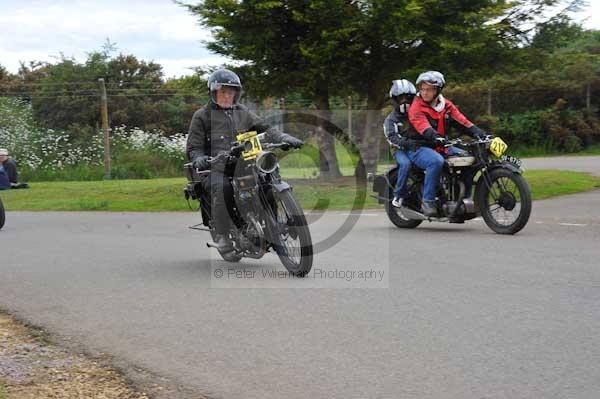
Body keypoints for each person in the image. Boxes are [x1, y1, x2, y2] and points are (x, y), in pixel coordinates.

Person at [186, 69, 303, 252]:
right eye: (223, 92)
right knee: (223, 187)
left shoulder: (243, 112)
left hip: (245, 162)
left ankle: (275, 221)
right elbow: (194, 147)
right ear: (214, 92)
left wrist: (284, 137)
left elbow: (265, 128)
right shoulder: (201, 115)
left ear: (236, 94)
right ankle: (223, 236)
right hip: (217, 167)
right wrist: (199, 158)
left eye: (231, 93)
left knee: (267, 177)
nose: (227, 96)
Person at [406, 70, 488, 217]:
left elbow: (463, 122)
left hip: (441, 146)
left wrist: (481, 134)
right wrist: (435, 136)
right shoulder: (416, 107)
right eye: (422, 89)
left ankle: (462, 201)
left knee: (469, 159)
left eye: (429, 89)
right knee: (435, 162)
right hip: (419, 147)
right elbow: (423, 126)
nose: (424, 92)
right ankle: (428, 201)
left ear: (438, 90)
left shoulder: (446, 105)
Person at [383, 79, 417, 209]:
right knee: (406, 164)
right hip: (400, 150)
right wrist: (407, 143)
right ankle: (399, 195)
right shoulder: (391, 119)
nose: (405, 101)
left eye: (408, 98)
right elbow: (391, 137)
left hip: (417, 147)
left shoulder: (417, 115)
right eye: (401, 98)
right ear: (395, 100)